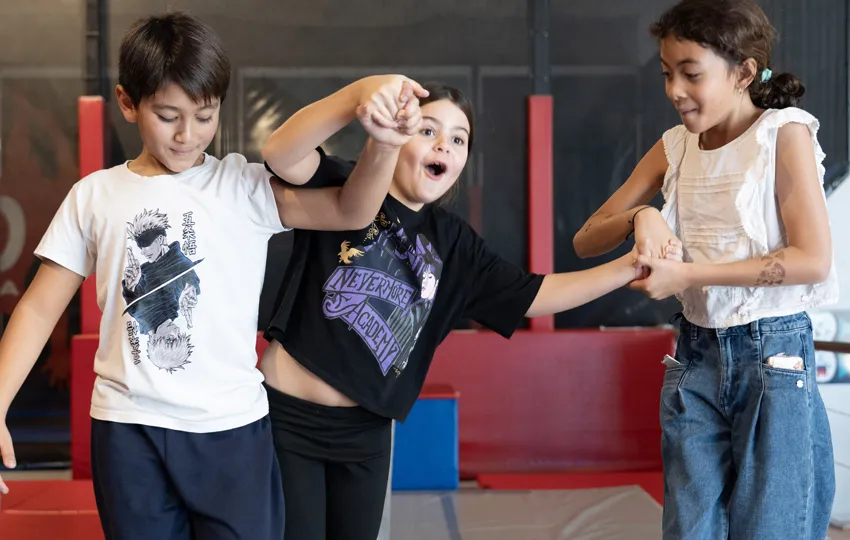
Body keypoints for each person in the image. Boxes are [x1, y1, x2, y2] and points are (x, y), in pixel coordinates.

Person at [0, 12, 425, 540]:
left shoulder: (240, 185)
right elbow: (41, 305)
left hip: (232, 431)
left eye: (204, 116)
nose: (187, 134)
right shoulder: (94, 195)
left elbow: (350, 212)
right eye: (168, 115)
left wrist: (382, 142)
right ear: (127, 103)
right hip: (129, 430)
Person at [259, 80, 650, 540]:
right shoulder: (347, 183)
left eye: (458, 139)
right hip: (287, 419)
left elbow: (535, 294)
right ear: (397, 133)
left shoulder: (455, 245)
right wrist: (358, 96)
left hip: (366, 433)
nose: (444, 144)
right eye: (428, 130)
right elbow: (280, 154)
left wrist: (629, 268)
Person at [572, 1, 838, 538]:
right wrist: (643, 215)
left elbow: (812, 259)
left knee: (772, 527)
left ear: (742, 72)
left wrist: (688, 276)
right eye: (668, 73)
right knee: (690, 529)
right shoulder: (675, 146)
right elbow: (586, 238)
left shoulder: (783, 134)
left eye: (691, 74)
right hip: (696, 356)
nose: (675, 90)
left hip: (775, 358)